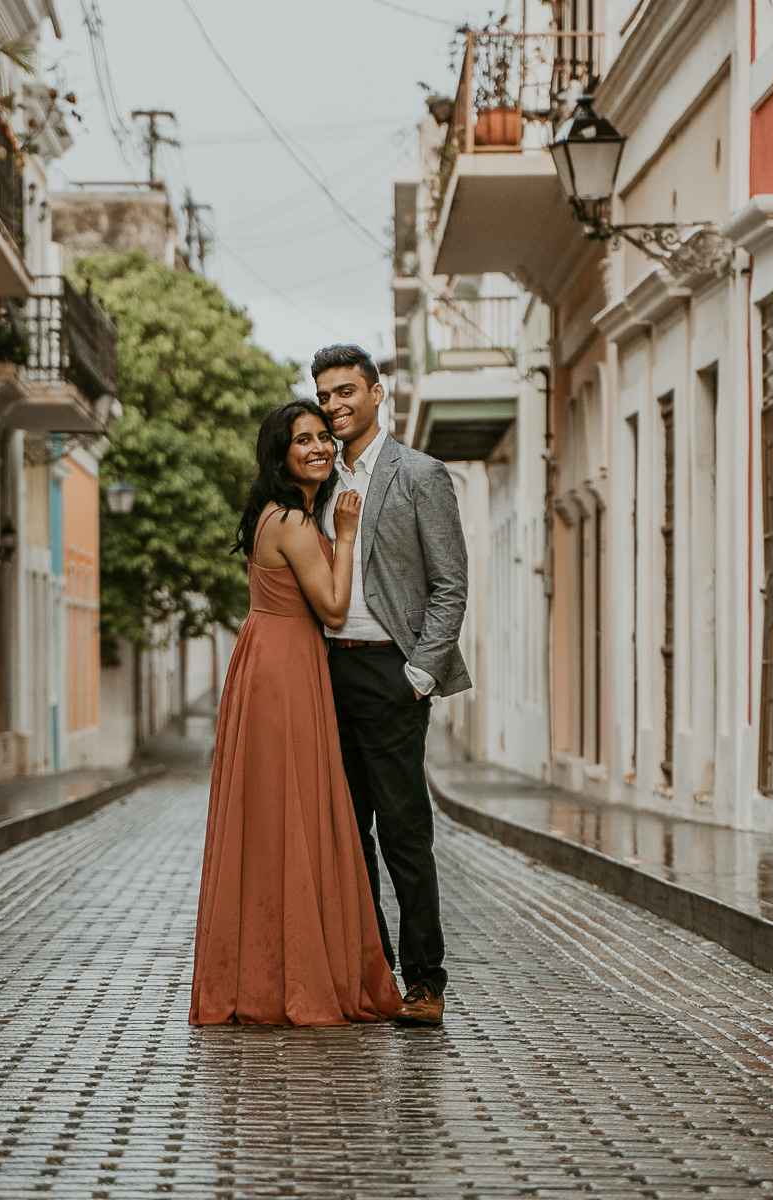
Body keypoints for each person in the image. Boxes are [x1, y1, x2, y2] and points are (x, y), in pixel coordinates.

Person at [188, 400, 405, 1027]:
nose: (318, 447)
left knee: (278, 818)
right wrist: (346, 533)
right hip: (284, 671)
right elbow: (335, 609)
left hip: (271, 662)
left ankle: (267, 970)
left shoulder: (276, 513)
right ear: (280, 454)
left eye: (321, 438)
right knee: (293, 814)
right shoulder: (292, 520)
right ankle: (290, 979)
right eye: (301, 440)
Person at [313, 344, 470, 1028]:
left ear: (379, 393)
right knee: (347, 838)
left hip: (390, 673)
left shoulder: (420, 474)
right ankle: (373, 976)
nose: (335, 405)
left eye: (347, 390)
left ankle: (425, 982)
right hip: (326, 673)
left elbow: (450, 584)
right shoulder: (315, 479)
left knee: (404, 834)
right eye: (324, 395)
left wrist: (418, 674)